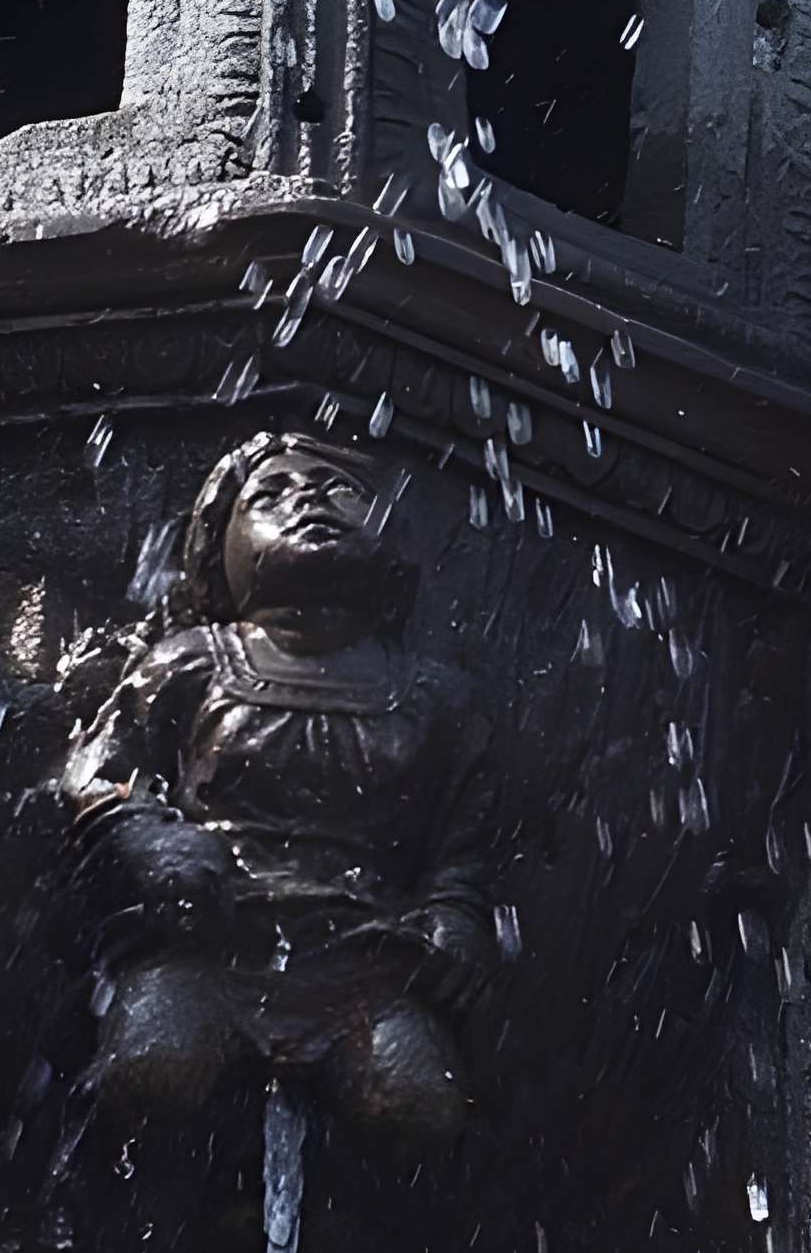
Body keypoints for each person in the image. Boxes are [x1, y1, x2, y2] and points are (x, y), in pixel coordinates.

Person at [62, 432, 494, 1156]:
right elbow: (97, 770)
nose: (308, 504)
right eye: (271, 497)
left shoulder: (436, 698)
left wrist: (456, 913)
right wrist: (149, 837)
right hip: (211, 945)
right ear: (220, 551)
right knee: (152, 1069)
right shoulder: (191, 664)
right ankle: (118, 1242)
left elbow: (466, 841)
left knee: (417, 1102)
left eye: (341, 493)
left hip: (365, 960)